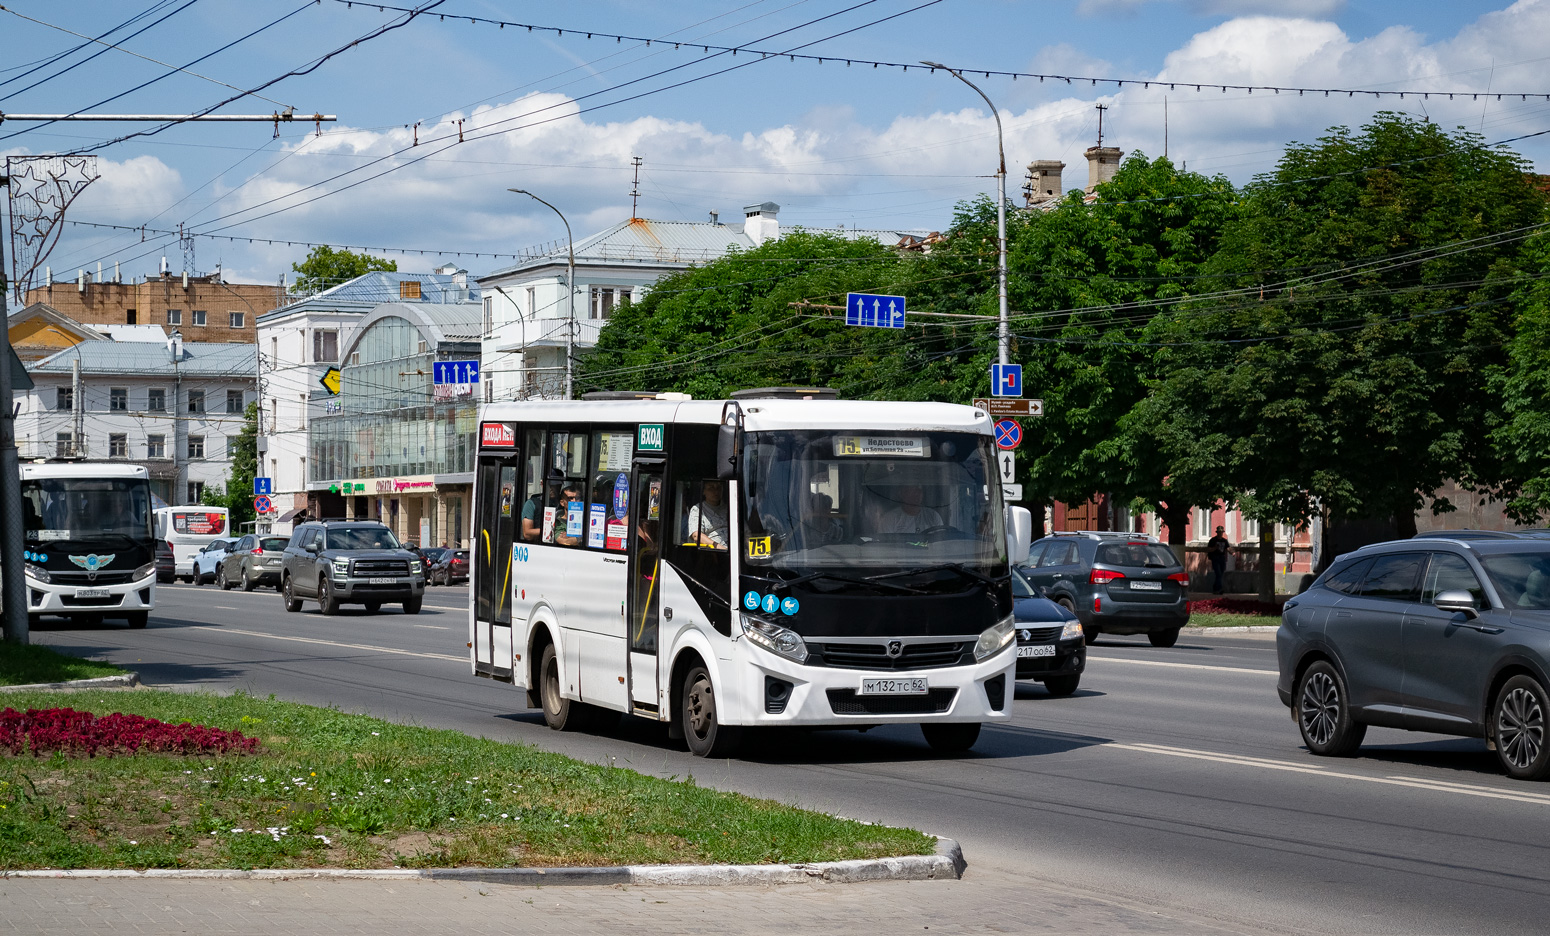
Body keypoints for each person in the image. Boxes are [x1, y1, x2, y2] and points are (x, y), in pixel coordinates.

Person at [686, 480, 729, 549]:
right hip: (713, 552)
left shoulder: (730, 508)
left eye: (718, 487)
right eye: (711, 488)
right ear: (704, 491)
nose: (716, 491)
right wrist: (718, 547)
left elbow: (746, 532)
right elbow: (696, 535)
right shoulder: (697, 509)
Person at [1207, 525, 1230, 595]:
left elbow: (1227, 548)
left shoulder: (1224, 541)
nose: (1220, 533)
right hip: (1215, 558)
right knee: (1218, 573)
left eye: (1221, 532)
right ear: (1217, 532)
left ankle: (1215, 588)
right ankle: (1219, 589)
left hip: (1222, 558)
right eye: (1219, 532)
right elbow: (1209, 549)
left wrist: (1231, 554)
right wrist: (1215, 548)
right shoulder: (1213, 540)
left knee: (1220, 574)